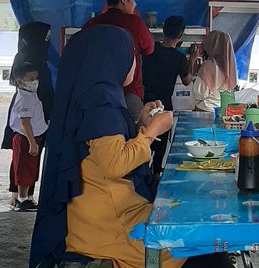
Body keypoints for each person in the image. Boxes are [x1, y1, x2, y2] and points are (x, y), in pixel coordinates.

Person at [29, 25, 183, 268]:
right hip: (110, 225)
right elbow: (114, 164)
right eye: (132, 54)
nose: (134, 62)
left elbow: (103, 150)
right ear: (111, 56)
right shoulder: (102, 103)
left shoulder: (95, 97)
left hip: (93, 216)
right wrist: (153, 132)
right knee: (190, 242)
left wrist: (140, 125)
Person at [1, 21, 53, 209]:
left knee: (28, 159)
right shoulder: (29, 61)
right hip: (29, 119)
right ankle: (20, 197)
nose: (47, 40)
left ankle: (23, 196)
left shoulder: (28, 57)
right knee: (23, 159)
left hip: (35, 117)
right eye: (45, 37)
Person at [83, 0, 154, 122]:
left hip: (98, 95)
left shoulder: (92, 24)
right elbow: (149, 48)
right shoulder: (134, 22)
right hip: (130, 93)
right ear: (124, 1)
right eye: (133, 1)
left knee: (102, 134)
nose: (134, 4)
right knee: (135, 135)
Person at [142, 15, 194, 177]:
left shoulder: (149, 51)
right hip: (164, 109)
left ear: (163, 30)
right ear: (180, 35)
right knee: (159, 153)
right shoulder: (178, 58)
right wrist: (192, 59)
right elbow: (187, 81)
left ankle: (141, 182)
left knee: (142, 147)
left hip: (144, 106)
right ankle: (156, 179)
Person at [8, 62, 48, 212]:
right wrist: (32, 143)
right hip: (26, 139)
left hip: (32, 138)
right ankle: (22, 199)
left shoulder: (30, 94)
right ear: (20, 81)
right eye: (31, 79)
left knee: (29, 169)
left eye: (36, 78)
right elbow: (25, 122)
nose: (35, 82)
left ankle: (24, 198)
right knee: (24, 169)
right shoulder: (24, 98)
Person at [191, 30, 236, 112]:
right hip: (221, 110)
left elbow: (199, 93)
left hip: (205, 110)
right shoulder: (229, 66)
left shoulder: (209, 66)